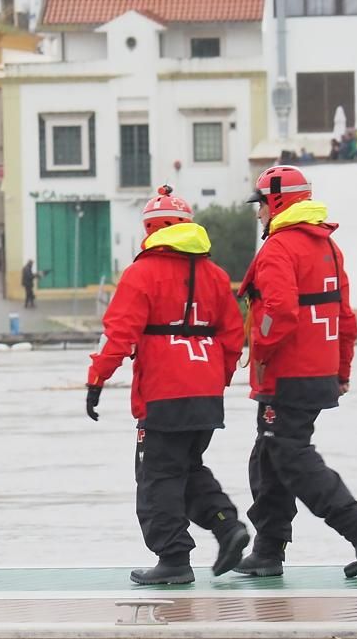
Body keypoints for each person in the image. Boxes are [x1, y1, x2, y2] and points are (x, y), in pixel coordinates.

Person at [231, 165, 357, 581]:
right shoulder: (328, 248)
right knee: (267, 457)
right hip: (318, 372)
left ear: (278, 202)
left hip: (288, 374)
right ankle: (268, 549)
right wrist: (341, 370)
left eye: (262, 205)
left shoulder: (278, 249)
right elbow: (345, 318)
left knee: (288, 454)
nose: (258, 214)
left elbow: (279, 314)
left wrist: (259, 351)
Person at [85, 185, 248, 587]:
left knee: (157, 478)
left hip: (164, 392)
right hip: (205, 395)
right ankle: (227, 527)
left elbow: (117, 335)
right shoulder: (215, 275)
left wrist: (96, 380)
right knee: (186, 468)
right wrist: (217, 380)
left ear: (151, 230)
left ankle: (173, 557)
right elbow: (233, 337)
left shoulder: (141, 274)